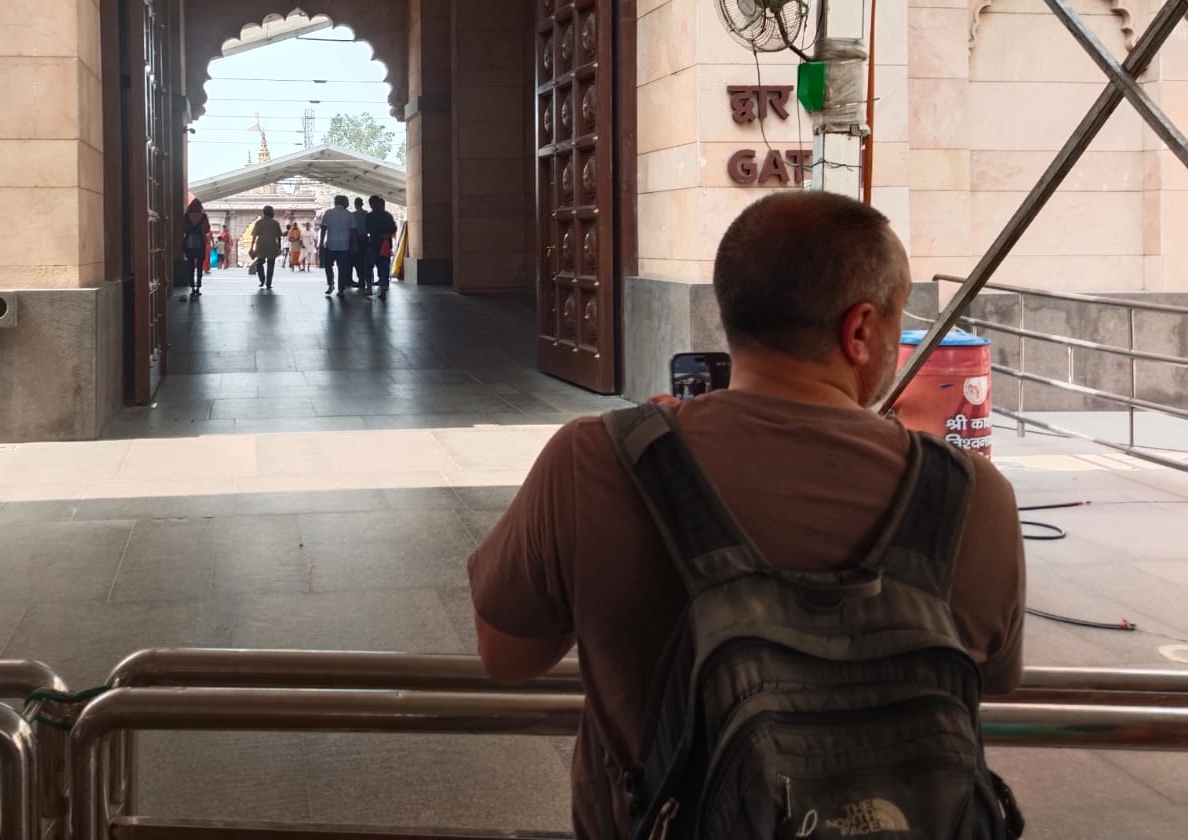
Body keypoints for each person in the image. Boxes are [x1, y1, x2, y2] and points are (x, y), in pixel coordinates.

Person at [466, 190, 1025, 838]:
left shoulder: (595, 462)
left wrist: (652, 463)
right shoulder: (973, 495)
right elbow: (993, 678)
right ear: (861, 330)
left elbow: (505, 655)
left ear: (730, 311)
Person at [318, 194, 357, 297]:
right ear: (345, 203)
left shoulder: (328, 213)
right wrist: (354, 244)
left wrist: (321, 242)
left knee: (328, 266)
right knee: (342, 268)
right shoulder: (350, 215)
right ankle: (341, 289)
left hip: (330, 244)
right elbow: (353, 231)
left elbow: (323, 228)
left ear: (335, 202)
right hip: (344, 245)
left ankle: (331, 284)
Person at [363, 195, 397, 302]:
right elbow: (393, 228)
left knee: (368, 266)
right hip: (385, 245)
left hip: (373, 244)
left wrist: (377, 234)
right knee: (384, 268)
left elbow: (368, 229)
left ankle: (369, 287)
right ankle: (383, 291)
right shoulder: (388, 215)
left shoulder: (369, 216)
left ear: (372, 204)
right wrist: (385, 234)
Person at [250, 205, 283, 288]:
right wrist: (279, 247)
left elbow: (254, 236)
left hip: (261, 246)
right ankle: (268, 283)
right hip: (272, 246)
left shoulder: (259, 223)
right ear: (272, 213)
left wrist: (251, 247)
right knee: (271, 264)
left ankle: (262, 279)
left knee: (259, 263)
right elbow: (279, 237)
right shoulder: (275, 223)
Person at [182, 200, 210, 297]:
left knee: (190, 266)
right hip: (200, 243)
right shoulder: (204, 217)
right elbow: (207, 229)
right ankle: (198, 286)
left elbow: (183, 229)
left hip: (189, 242)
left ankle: (192, 287)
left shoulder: (186, 217)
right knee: (199, 266)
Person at [351, 196, 371, 290]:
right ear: (362, 204)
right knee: (366, 260)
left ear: (355, 205)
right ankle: (368, 281)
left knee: (357, 261)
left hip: (356, 239)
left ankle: (361, 280)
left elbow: (352, 228)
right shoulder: (367, 214)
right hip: (365, 239)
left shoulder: (353, 215)